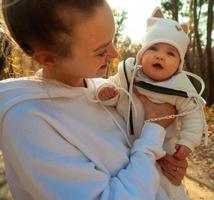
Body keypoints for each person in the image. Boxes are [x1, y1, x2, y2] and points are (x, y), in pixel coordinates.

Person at [0, 0, 188, 199]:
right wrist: (154, 131)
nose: (115, 54)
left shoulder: (105, 91)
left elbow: (134, 156)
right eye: (101, 50)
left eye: (112, 40)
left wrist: (165, 170)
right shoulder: (28, 121)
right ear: (49, 59)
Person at [96, 7, 208, 200]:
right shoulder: (129, 75)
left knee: (165, 185)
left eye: (170, 53)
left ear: (179, 64)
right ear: (141, 54)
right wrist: (108, 94)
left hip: (162, 149)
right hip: (125, 142)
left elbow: (194, 115)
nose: (160, 56)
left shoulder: (179, 88)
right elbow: (113, 88)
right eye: (153, 48)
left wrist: (188, 141)